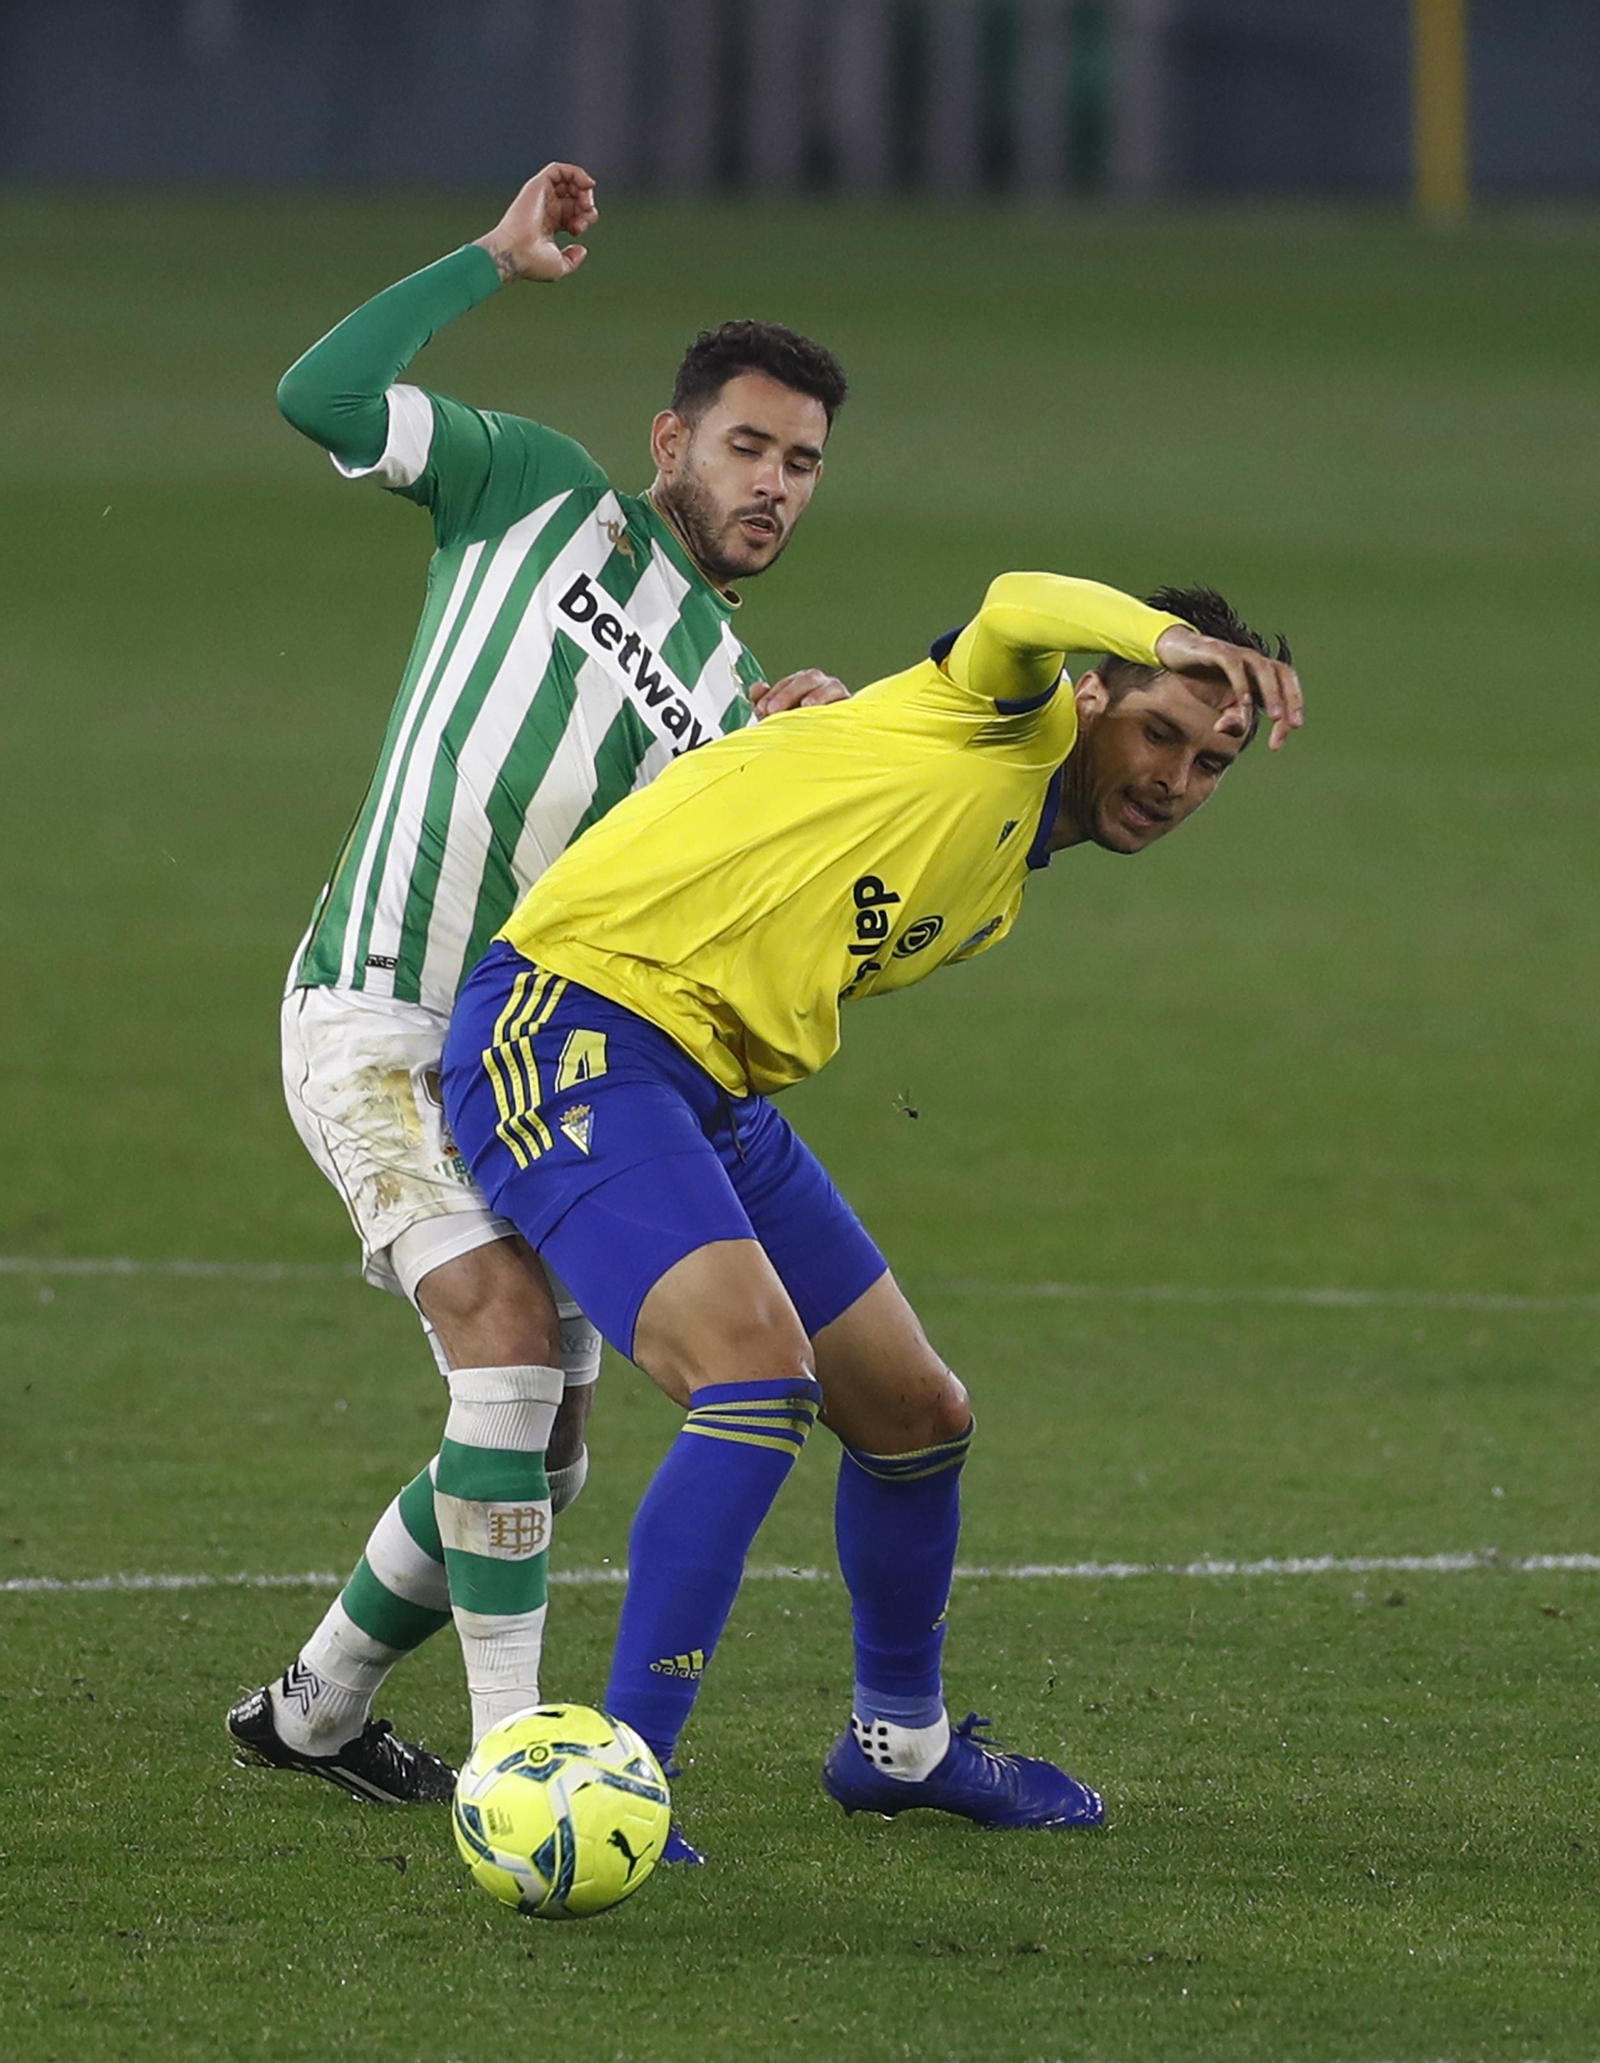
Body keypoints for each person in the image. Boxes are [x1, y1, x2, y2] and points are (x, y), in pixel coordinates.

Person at [439, 570, 1303, 1854]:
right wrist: (1166, 635)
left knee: (915, 1414)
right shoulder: (999, 717)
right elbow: (1014, 603)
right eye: (1159, 727)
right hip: (573, 1022)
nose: (1175, 776)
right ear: (1092, 692)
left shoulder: (1011, 862)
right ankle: (621, 1777)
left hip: (708, 1085)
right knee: (754, 1383)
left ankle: (898, 1747)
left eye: (1213, 760)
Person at [226, 164, 850, 1805]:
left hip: (525, 1063)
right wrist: (493, 260)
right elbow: (323, 395)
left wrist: (808, 754)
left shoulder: (729, 696)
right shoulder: (534, 487)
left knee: (546, 1450)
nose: (774, 485)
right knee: (503, 1356)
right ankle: (521, 1759)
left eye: (802, 464)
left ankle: (318, 1704)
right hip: (375, 1008)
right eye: (747, 445)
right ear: (671, 444)